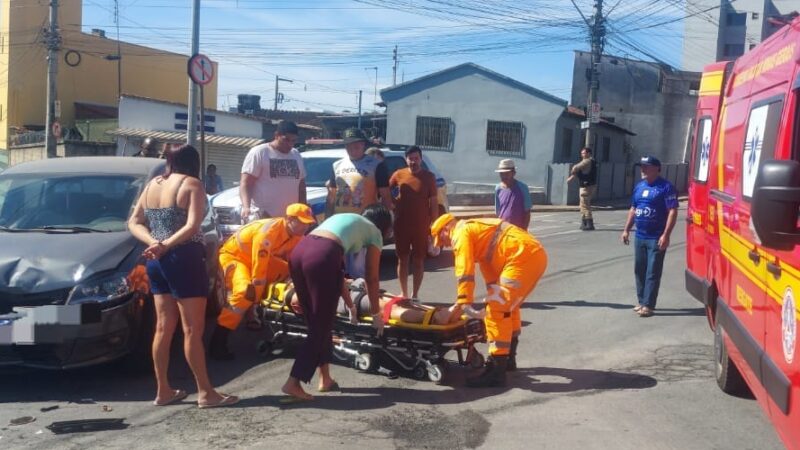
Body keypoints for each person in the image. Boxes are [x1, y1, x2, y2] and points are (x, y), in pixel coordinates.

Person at [128, 144, 238, 409]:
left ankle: (163, 390)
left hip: (156, 260)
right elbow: (192, 226)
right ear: (194, 162)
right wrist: (166, 245)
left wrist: (154, 243)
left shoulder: (152, 184)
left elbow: (133, 222)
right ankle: (206, 393)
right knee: (192, 330)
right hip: (184, 258)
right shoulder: (193, 185)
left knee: (163, 327)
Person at [281, 204, 393, 403]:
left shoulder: (347, 220)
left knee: (316, 323)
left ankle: (325, 379)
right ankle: (294, 382)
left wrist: (350, 305)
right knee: (321, 325)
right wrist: (376, 315)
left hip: (300, 252)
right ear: (383, 226)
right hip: (322, 256)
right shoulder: (374, 232)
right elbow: (372, 277)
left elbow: (338, 273)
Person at [431, 213, 548, 387]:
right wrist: (489, 295)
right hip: (529, 254)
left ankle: (496, 370)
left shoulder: (460, 232)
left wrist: (463, 300)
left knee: (496, 310)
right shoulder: (479, 237)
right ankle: (507, 360)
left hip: (521, 256)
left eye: (442, 240)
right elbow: (491, 274)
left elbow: (464, 269)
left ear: (446, 228)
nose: (445, 245)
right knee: (506, 307)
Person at [208, 203, 316, 360]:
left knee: (290, 271)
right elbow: (259, 273)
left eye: (308, 223)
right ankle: (218, 342)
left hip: (255, 259)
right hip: (234, 257)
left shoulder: (296, 235)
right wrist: (256, 299)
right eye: (302, 223)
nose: (306, 227)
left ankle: (272, 312)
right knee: (245, 293)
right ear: (289, 219)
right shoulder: (268, 233)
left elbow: (300, 261)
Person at [325, 128, 392, 278]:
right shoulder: (336, 165)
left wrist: (388, 223)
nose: (352, 149)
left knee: (360, 271)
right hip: (339, 224)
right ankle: (342, 300)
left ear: (363, 145)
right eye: (348, 146)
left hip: (363, 224)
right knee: (339, 270)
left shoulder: (376, 165)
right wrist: (327, 219)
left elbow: (386, 196)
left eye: (356, 145)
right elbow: (331, 195)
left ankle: (361, 299)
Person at [620, 156, 678, 318]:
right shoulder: (639, 187)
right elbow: (633, 208)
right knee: (639, 270)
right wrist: (626, 230)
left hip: (656, 237)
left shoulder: (666, 187)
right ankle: (641, 301)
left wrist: (666, 235)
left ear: (657, 169)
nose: (643, 170)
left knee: (653, 271)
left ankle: (649, 305)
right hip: (640, 236)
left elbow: (672, 211)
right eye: (642, 167)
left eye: (646, 167)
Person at [389, 146, 438, 299]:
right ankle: (403, 294)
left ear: (421, 159)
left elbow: (434, 202)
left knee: (418, 261)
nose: (413, 161)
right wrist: (392, 205)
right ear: (406, 159)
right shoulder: (398, 175)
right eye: (411, 158)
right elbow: (387, 192)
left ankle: (415, 294)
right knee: (402, 259)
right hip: (401, 226)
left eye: (416, 158)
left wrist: (435, 224)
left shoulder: (429, 177)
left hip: (421, 227)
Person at [240, 120, 307, 223]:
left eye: (293, 141)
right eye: (286, 140)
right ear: (276, 135)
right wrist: (246, 207)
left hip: (289, 220)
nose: (290, 144)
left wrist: (303, 209)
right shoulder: (260, 152)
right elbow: (246, 183)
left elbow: (301, 186)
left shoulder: (296, 155)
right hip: (263, 217)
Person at [494, 159, 532, 230]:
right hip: (503, 229)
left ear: (513, 173)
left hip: (518, 229)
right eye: (501, 174)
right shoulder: (498, 188)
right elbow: (498, 212)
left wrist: (524, 230)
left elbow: (527, 212)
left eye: (506, 174)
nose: (504, 176)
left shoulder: (522, 187)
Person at [566, 147, 597, 230]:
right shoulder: (592, 161)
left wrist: (572, 172)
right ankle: (584, 223)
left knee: (585, 205)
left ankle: (589, 224)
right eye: (582, 153)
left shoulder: (587, 161)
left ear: (589, 153)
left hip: (586, 186)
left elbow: (576, 167)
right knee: (583, 204)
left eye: (584, 153)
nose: (582, 155)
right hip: (589, 185)